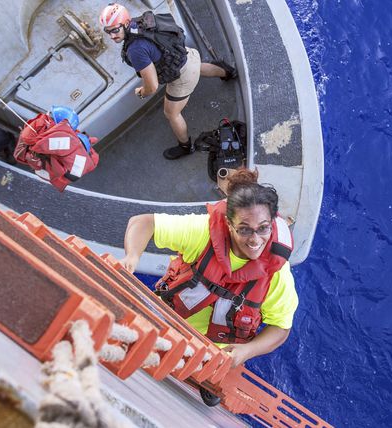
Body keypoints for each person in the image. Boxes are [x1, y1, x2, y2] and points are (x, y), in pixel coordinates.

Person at [119, 169, 297, 404]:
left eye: (263, 228)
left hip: (213, 351)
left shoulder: (277, 273)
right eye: (244, 229)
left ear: (273, 223)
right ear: (228, 223)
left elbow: (281, 327)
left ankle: (207, 373)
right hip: (163, 320)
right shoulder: (203, 232)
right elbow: (143, 223)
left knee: (206, 384)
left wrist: (247, 351)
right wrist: (132, 257)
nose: (255, 239)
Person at [99, 3, 237, 160]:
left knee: (171, 113)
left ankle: (185, 146)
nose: (112, 36)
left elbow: (152, 86)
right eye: (107, 31)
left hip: (181, 77)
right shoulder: (140, 22)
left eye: (115, 30)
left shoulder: (135, 50)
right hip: (187, 55)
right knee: (196, 67)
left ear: (125, 23)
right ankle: (228, 72)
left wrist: (142, 92)